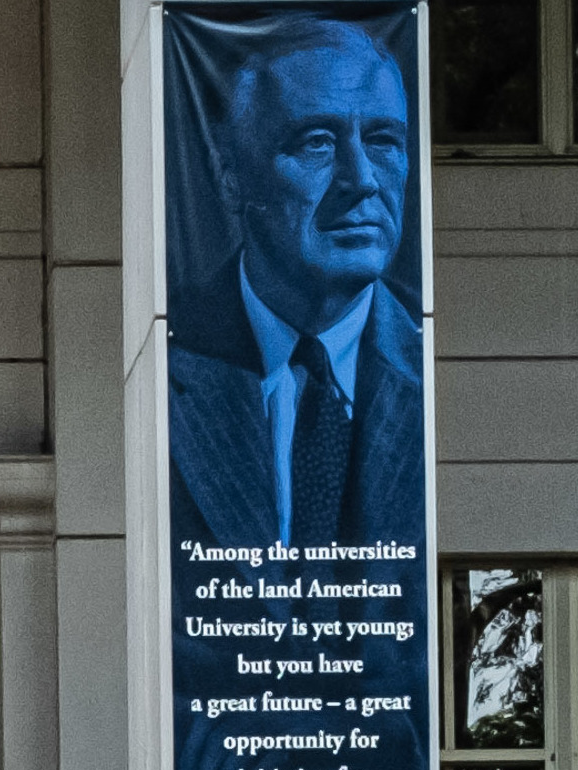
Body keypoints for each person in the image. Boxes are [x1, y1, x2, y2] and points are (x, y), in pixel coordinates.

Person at [166, 14, 424, 552]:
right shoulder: (165, 363)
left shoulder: (429, 363)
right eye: (317, 142)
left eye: (383, 141)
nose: (362, 179)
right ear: (231, 178)